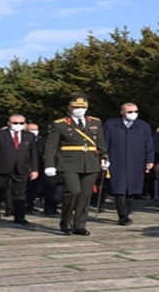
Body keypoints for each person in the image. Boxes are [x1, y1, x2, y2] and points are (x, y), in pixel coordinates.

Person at [44, 95, 108, 235]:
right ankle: (65, 221)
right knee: (73, 191)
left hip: (90, 162)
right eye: (76, 107)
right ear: (69, 108)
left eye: (83, 107)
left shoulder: (95, 123)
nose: (80, 110)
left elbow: (101, 144)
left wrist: (104, 157)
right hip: (69, 163)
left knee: (85, 195)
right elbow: (51, 147)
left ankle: (79, 225)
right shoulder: (60, 124)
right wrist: (49, 164)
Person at [103, 102, 154, 226]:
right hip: (117, 161)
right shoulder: (111, 125)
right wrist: (104, 158)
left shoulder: (143, 126)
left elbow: (149, 144)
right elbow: (104, 143)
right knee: (119, 189)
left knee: (132, 189)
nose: (133, 114)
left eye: (135, 111)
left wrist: (150, 160)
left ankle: (127, 211)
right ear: (122, 112)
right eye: (129, 112)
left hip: (136, 162)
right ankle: (123, 215)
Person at [0, 114, 39, 224]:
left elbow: (33, 154)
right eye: (15, 123)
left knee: (19, 193)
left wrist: (34, 169)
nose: (18, 125)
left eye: (21, 123)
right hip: (2, 167)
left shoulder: (29, 136)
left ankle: (19, 216)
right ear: (9, 123)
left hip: (21, 168)